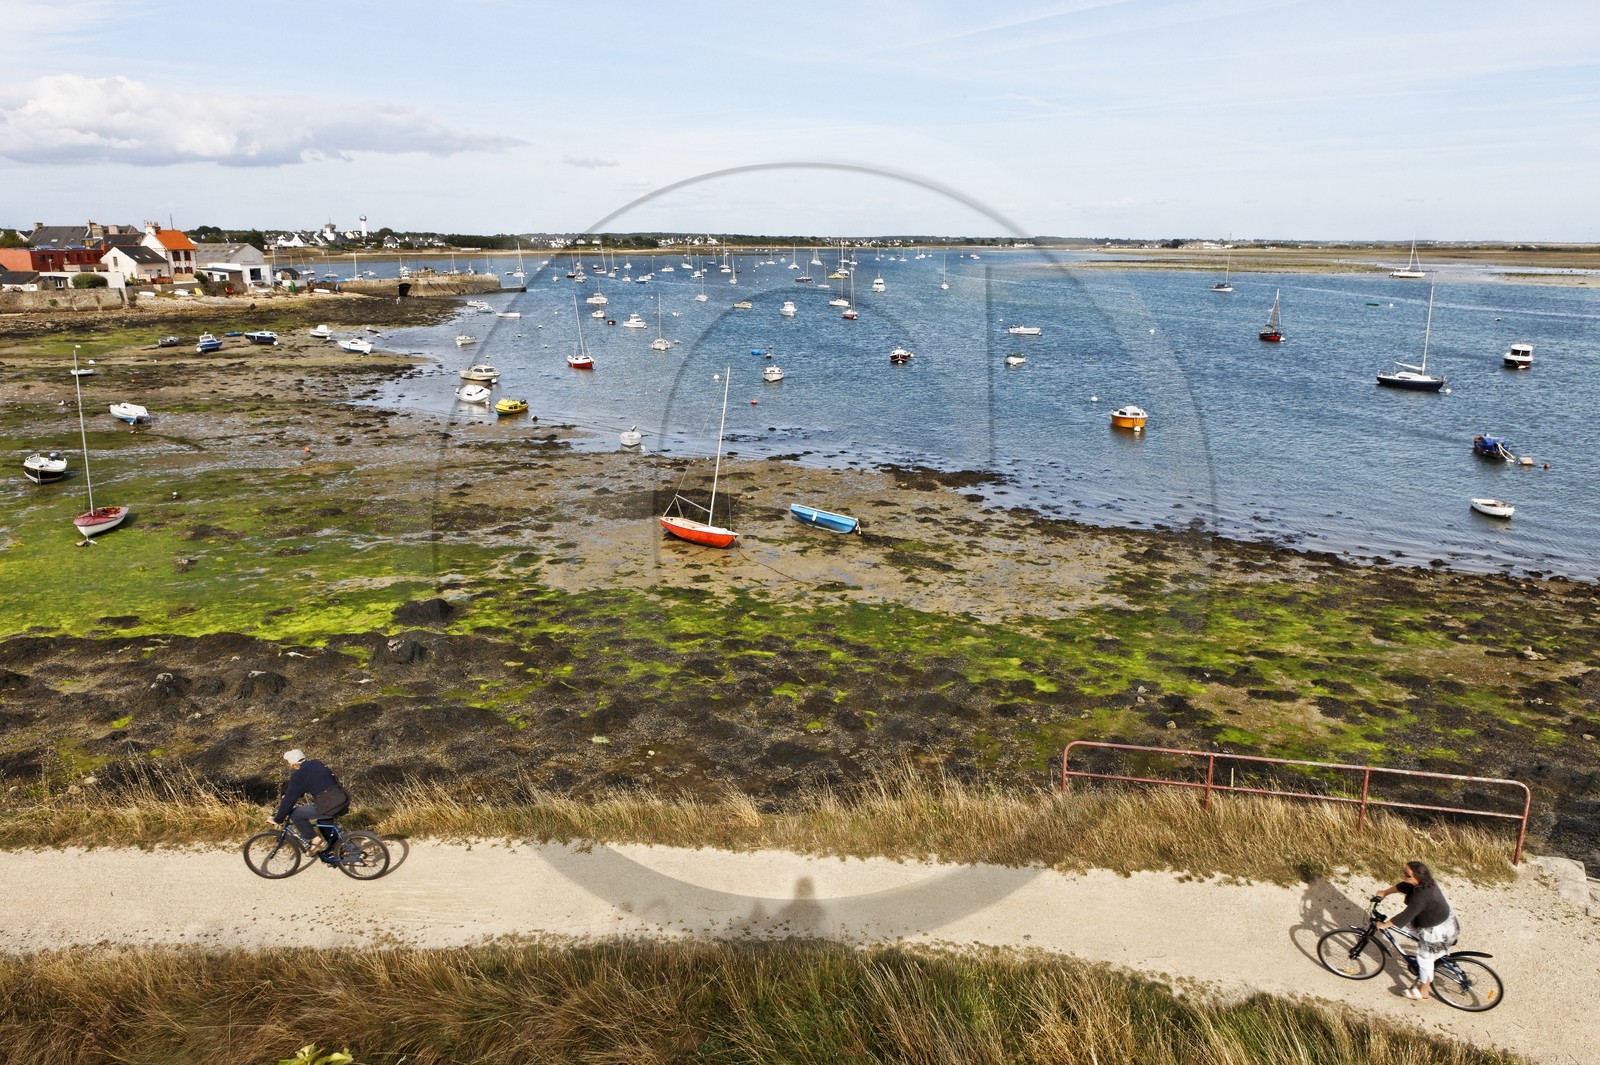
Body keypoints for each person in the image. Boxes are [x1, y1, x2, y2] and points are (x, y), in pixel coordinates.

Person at [1374, 860, 1459, 1000]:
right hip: (1440, 920)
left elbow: (1406, 915)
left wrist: (1384, 925)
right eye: (1404, 872)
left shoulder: (1422, 895)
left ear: (1418, 877)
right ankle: (1435, 955)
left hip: (1437, 930)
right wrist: (1385, 892)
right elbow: (1404, 886)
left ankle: (1423, 991)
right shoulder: (1423, 883)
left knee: (1424, 959)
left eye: (1407, 875)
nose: (1404, 875)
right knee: (1410, 931)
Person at [272, 749, 350, 857]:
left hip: (329, 805)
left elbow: (289, 799)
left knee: (296, 814)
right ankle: (337, 848)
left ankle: (316, 841)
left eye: (290, 764)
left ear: (294, 765)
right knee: (323, 820)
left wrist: (278, 819)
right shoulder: (316, 763)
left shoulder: (298, 775)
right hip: (342, 799)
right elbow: (317, 783)